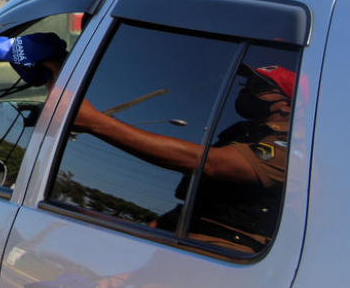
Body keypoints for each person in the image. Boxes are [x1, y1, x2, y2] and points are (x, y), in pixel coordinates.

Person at [73, 64, 294, 253]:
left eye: (258, 87)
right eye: (246, 85)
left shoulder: (288, 149)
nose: (247, 92)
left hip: (219, 250)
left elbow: (210, 164)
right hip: (182, 230)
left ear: (287, 105)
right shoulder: (244, 135)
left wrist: (96, 123)